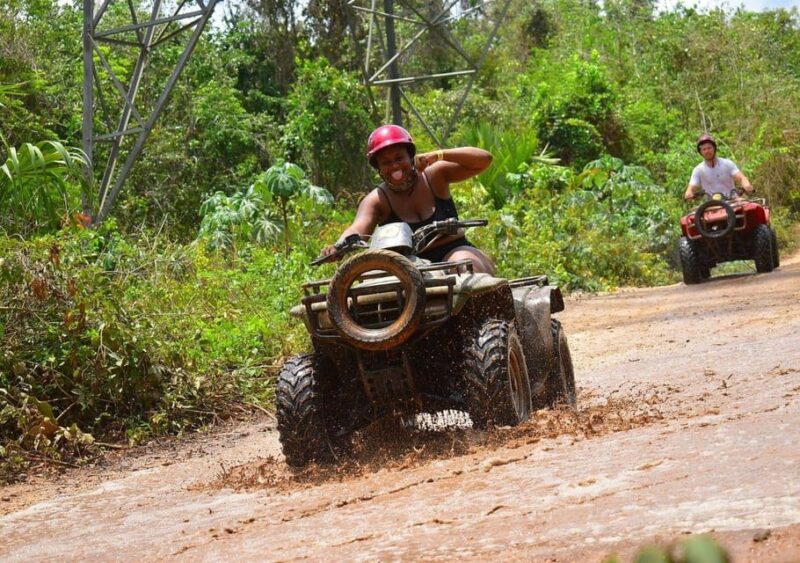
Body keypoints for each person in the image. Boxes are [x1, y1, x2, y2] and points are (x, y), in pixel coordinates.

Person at [322, 124, 496, 274]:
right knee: (374, 286)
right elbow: (357, 228)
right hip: (408, 266)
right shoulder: (377, 200)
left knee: (464, 266)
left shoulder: (434, 175)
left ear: (410, 157)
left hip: (454, 249)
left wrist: (439, 155)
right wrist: (337, 247)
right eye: (386, 162)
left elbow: (484, 159)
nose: (394, 166)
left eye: (399, 158)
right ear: (378, 168)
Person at [684, 134, 754, 201]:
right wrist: (689, 194)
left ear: (714, 148)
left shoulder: (727, 163)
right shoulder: (698, 170)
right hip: (711, 203)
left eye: (709, 148)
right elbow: (691, 188)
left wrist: (747, 186)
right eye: (704, 149)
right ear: (701, 152)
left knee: (749, 206)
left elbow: (741, 178)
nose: (707, 151)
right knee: (698, 210)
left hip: (732, 199)